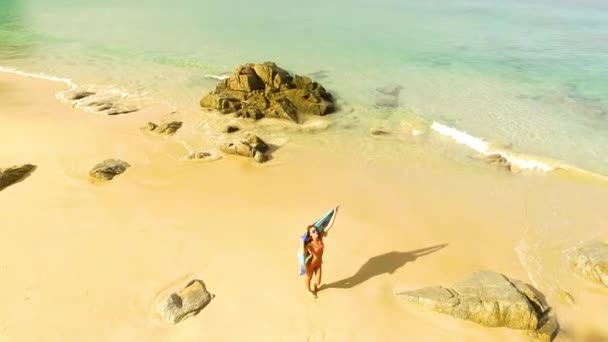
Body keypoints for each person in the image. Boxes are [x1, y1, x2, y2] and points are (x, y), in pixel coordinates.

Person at [303, 223, 332, 299]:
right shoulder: (309, 244)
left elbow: (328, 226)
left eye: (315, 230)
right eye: (313, 232)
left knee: (318, 282)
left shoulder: (320, 237)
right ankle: (309, 291)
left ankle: (315, 288)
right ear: (310, 235)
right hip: (310, 264)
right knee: (309, 278)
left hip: (319, 263)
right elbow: (303, 253)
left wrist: (335, 212)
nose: (315, 232)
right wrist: (302, 243)